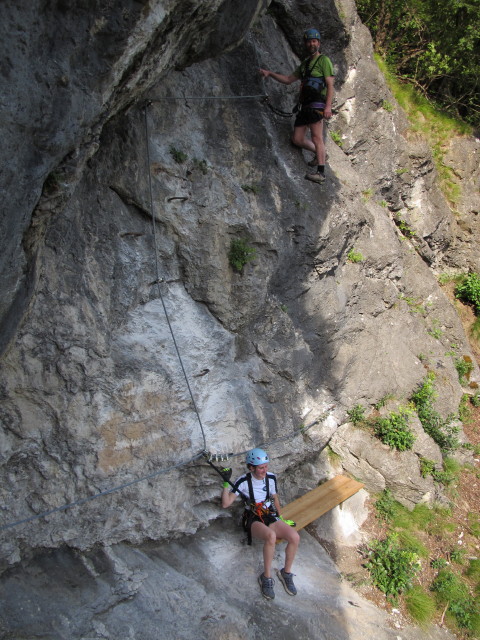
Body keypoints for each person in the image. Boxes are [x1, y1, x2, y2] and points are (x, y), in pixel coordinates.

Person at [221, 447, 300, 600]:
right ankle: (266, 577)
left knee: (294, 537)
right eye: (261, 468)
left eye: (266, 466)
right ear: (251, 467)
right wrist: (225, 484)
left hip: (268, 515)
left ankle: (286, 572)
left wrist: (280, 517)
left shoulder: (271, 478)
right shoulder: (243, 481)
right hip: (252, 518)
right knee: (270, 536)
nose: (264, 470)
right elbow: (226, 503)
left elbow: (274, 498)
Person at [259, 27, 334, 184]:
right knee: (297, 139)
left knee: (316, 137)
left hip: (316, 105)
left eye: (314, 41)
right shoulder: (306, 64)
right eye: (309, 42)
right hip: (305, 105)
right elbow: (288, 79)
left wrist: (328, 107)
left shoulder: (324, 61)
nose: (311, 44)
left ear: (318, 43)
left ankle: (321, 173)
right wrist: (270, 74)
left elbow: (330, 85)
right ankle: (321, 154)